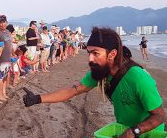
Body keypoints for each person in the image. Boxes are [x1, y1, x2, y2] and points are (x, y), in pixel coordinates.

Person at [23, 27, 165, 138]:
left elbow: (159, 116)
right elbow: (73, 90)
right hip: (122, 130)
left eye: (95, 53)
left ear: (112, 54)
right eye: (89, 53)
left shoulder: (138, 77)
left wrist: (134, 131)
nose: (90, 59)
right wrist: (38, 99)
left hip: (148, 133)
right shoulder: (99, 73)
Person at [0, 15, 12, 99]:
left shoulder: (8, 32)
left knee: (5, 77)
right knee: (1, 78)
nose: (2, 24)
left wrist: (12, 54)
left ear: (7, 22)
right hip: (1, 59)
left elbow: (10, 44)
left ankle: (3, 93)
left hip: (8, 58)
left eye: (4, 22)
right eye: (0, 22)